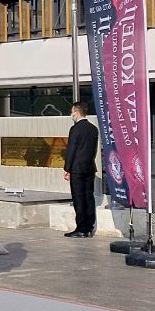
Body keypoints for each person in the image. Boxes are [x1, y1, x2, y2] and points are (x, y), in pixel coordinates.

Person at [64, 102, 99, 238]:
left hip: (77, 168)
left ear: (77, 113)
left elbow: (71, 149)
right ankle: (89, 227)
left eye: (72, 111)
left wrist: (67, 168)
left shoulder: (75, 129)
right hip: (89, 167)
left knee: (78, 198)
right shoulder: (93, 129)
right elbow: (94, 150)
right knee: (89, 197)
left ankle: (81, 228)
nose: (71, 114)